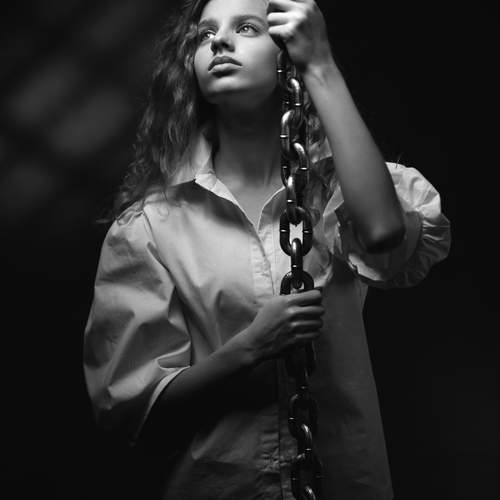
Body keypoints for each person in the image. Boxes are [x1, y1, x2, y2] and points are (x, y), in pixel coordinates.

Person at [83, 0, 451, 499]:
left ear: (286, 58)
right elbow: (134, 411)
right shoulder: (151, 226)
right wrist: (250, 348)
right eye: (204, 34)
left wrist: (320, 64)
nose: (219, 41)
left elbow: (384, 233)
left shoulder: (336, 194)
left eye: (247, 27)